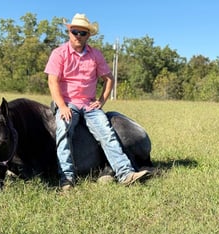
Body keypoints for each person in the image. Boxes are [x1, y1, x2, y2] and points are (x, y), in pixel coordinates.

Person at [44, 13, 152, 190]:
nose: (78, 35)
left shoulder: (95, 55)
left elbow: (109, 79)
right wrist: (62, 106)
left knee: (107, 133)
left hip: (88, 104)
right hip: (67, 103)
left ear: (89, 35)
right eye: (75, 31)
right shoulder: (59, 53)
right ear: (69, 32)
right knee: (63, 130)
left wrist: (101, 100)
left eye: (82, 33)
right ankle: (67, 179)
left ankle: (125, 173)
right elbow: (52, 81)